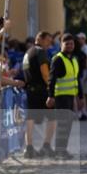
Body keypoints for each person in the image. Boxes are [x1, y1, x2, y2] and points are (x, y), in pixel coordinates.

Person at [23, 31, 57, 159]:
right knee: (52, 118)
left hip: (30, 90)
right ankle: (46, 145)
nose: (49, 44)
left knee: (30, 118)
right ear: (40, 39)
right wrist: (50, 89)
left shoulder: (28, 52)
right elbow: (45, 73)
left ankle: (29, 147)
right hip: (41, 90)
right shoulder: (40, 52)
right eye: (48, 40)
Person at [46, 33, 80, 159]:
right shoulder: (58, 59)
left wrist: (79, 96)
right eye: (67, 44)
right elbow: (52, 79)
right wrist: (50, 96)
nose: (70, 46)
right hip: (60, 97)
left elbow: (76, 79)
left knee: (67, 125)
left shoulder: (73, 59)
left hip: (70, 97)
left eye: (71, 43)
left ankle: (62, 149)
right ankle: (59, 151)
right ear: (61, 45)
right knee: (63, 125)